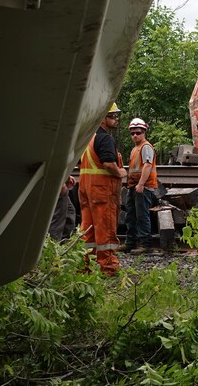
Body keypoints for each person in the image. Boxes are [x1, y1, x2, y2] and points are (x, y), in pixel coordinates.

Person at [78, 102, 127, 275]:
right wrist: (121, 173)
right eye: (112, 116)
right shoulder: (105, 138)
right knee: (105, 228)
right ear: (102, 118)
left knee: (88, 229)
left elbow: (78, 162)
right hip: (102, 190)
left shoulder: (87, 138)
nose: (116, 119)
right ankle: (109, 268)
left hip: (86, 189)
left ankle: (85, 267)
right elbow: (108, 164)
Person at [121, 117, 159, 254]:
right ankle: (130, 243)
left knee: (142, 215)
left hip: (143, 187)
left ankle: (145, 244)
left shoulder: (146, 147)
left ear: (144, 132)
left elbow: (148, 165)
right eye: (132, 133)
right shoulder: (135, 149)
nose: (135, 135)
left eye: (138, 132)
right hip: (133, 186)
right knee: (130, 215)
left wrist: (141, 184)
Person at [47, 175, 76, 241]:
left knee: (70, 212)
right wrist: (61, 182)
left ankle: (63, 244)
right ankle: (52, 246)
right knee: (58, 219)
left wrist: (66, 176)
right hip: (55, 181)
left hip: (59, 179)